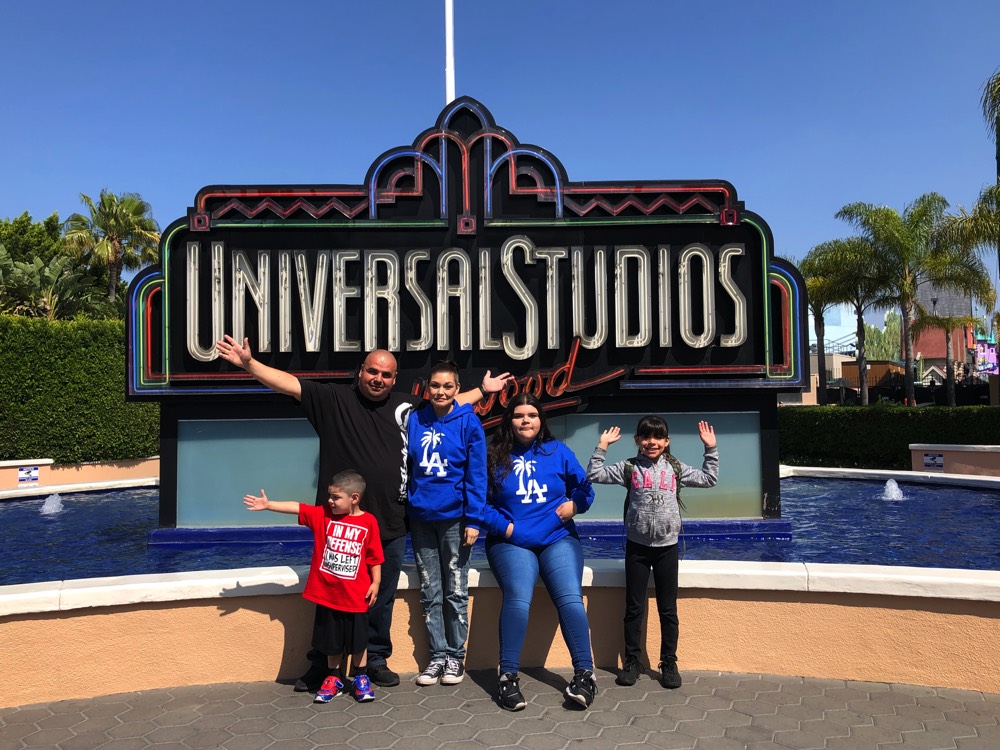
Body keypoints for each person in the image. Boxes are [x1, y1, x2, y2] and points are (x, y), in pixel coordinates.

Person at [216, 334, 509, 690]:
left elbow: (446, 403)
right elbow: (288, 383)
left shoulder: (407, 408)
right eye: (373, 371)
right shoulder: (333, 399)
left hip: (390, 522)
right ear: (361, 372)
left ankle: (375, 660)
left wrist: (482, 390)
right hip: (340, 526)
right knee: (330, 596)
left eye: (386, 375)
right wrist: (249, 364)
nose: (378, 379)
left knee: (380, 597)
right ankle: (321, 664)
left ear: (395, 379)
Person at [480, 393, 598, 710]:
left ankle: (585, 676)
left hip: (557, 536)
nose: (526, 420)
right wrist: (508, 529)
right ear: (509, 420)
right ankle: (507, 679)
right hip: (511, 540)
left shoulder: (557, 451)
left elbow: (585, 489)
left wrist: (574, 506)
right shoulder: (492, 455)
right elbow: (480, 505)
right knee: (519, 596)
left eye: (532, 415)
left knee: (569, 596)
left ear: (540, 420)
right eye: (519, 415)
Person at [587, 416, 718, 689]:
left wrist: (710, 448)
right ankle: (633, 662)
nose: (651, 442)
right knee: (634, 608)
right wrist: (602, 446)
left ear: (666, 442)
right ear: (637, 441)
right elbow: (594, 474)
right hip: (637, 547)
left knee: (667, 609)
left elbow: (709, 479)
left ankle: (668, 662)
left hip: (667, 548)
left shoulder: (675, 468)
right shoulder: (629, 468)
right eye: (646, 437)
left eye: (658, 437)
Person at [243, 470, 382, 703]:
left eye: (336, 497)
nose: (330, 501)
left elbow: (374, 557)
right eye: (330, 496)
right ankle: (333, 678)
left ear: (354, 498)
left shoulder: (369, 522)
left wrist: (376, 583)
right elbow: (297, 507)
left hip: (357, 597)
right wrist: (268, 505)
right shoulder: (322, 516)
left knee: (359, 642)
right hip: (328, 596)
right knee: (331, 642)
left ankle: (360, 677)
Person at [406, 360, 486, 687]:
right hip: (421, 517)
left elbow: (476, 475)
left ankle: (456, 656)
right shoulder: (414, 420)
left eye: (447, 386)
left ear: (456, 389)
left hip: (455, 518)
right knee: (430, 589)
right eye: (435, 386)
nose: (440, 392)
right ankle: (437, 656)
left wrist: (475, 519)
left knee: (455, 588)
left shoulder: (469, 422)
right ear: (428, 388)